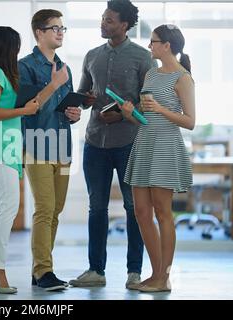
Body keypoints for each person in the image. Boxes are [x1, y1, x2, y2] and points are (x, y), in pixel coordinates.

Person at [0, 26, 69, 294]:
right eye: (15, 47)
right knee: (8, 208)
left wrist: (52, 87)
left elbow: (31, 105)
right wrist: (23, 110)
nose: (18, 52)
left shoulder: (4, 75)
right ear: (8, 47)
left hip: (7, 150)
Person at [69, 0, 155, 290]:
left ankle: (134, 272)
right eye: (102, 18)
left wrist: (123, 113)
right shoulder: (92, 56)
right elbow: (81, 95)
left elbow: (149, 103)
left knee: (134, 208)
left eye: (109, 20)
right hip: (94, 142)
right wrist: (83, 102)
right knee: (96, 208)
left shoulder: (143, 58)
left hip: (129, 143)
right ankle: (96, 270)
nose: (103, 23)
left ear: (124, 25)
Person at [121, 24, 195, 292]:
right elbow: (145, 115)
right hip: (144, 144)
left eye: (153, 42)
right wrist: (130, 112)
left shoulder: (182, 77)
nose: (149, 46)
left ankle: (164, 277)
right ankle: (154, 274)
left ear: (167, 46)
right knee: (141, 212)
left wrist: (161, 109)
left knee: (164, 212)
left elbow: (190, 122)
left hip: (165, 147)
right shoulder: (151, 74)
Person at [19, 9, 81, 291]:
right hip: (36, 143)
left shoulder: (65, 67)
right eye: (54, 28)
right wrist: (54, 84)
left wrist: (74, 113)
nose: (60, 32)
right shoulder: (25, 67)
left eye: (62, 28)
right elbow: (28, 108)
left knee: (55, 210)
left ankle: (41, 269)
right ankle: (44, 271)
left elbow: (63, 105)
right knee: (44, 209)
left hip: (62, 145)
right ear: (39, 33)